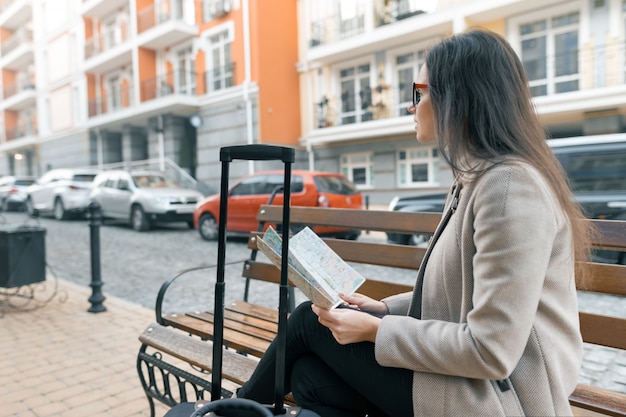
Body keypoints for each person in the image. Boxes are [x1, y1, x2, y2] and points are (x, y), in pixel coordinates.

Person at [237, 28, 593, 417]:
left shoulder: (509, 187)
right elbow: (459, 294)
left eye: (419, 93)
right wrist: (383, 311)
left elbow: (491, 350)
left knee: (307, 321)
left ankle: (229, 411)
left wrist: (375, 330)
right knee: (308, 376)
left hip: (506, 400)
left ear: (458, 97)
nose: (412, 106)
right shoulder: (477, 178)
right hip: (474, 384)